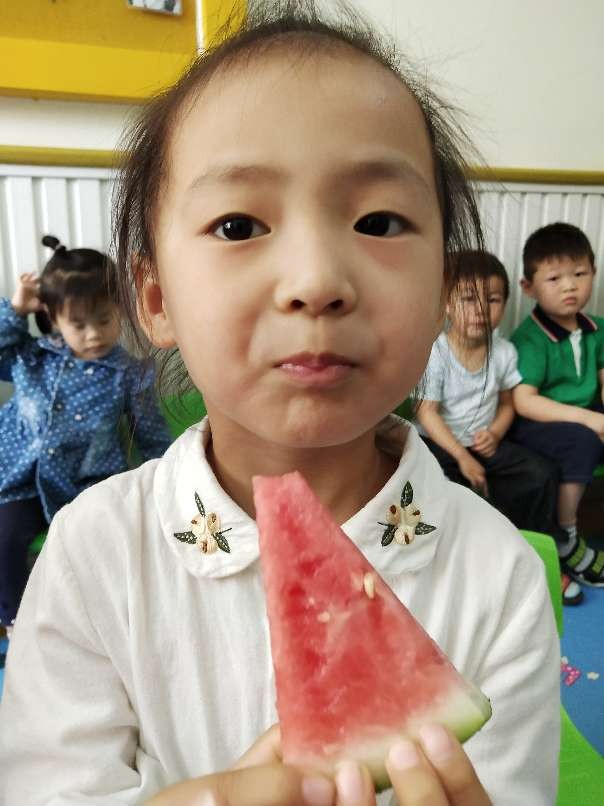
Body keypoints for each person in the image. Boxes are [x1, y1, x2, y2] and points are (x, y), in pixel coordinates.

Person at [0, 4, 560, 804]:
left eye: (378, 221)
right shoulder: (90, 555)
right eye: (238, 224)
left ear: (443, 288)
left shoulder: (500, 574)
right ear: (155, 299)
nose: (315, 281)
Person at [0, 235, 172, 635]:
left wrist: (165, 480)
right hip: (21, 479)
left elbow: (150, 435)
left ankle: (101, 622)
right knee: (4, 539)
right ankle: (14, 621)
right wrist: (15, 309)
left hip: (87, 481)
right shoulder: (31, 356)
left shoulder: (130, 373)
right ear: (52, 317)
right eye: (78, 325)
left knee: (105, 545)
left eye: (104, 320)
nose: (93, 334)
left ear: (120, 311)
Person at [416, 250, 582, 605]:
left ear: (505, 305)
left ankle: (535, 553)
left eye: (492, 300)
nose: (480, 309)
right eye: (467, 299)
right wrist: (462, 457)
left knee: (540, 474)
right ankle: (470, 571)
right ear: (447, 304)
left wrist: (495, 433)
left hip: (485, 443)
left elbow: (507, 404)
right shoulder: (436, 353)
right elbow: (427, 414)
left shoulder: (504, 352)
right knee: (450, 490)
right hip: (441, 446)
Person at [510, 222, 604, 588]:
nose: (569, 286)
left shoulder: (596, 328)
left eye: (579, 274)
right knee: (583, 441)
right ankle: (567, 538)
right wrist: (589, 420)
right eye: (554, 278)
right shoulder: (531, 338)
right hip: (539, 422)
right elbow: (525, 401)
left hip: (583, 415)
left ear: (593, 272)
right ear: (528, 287)